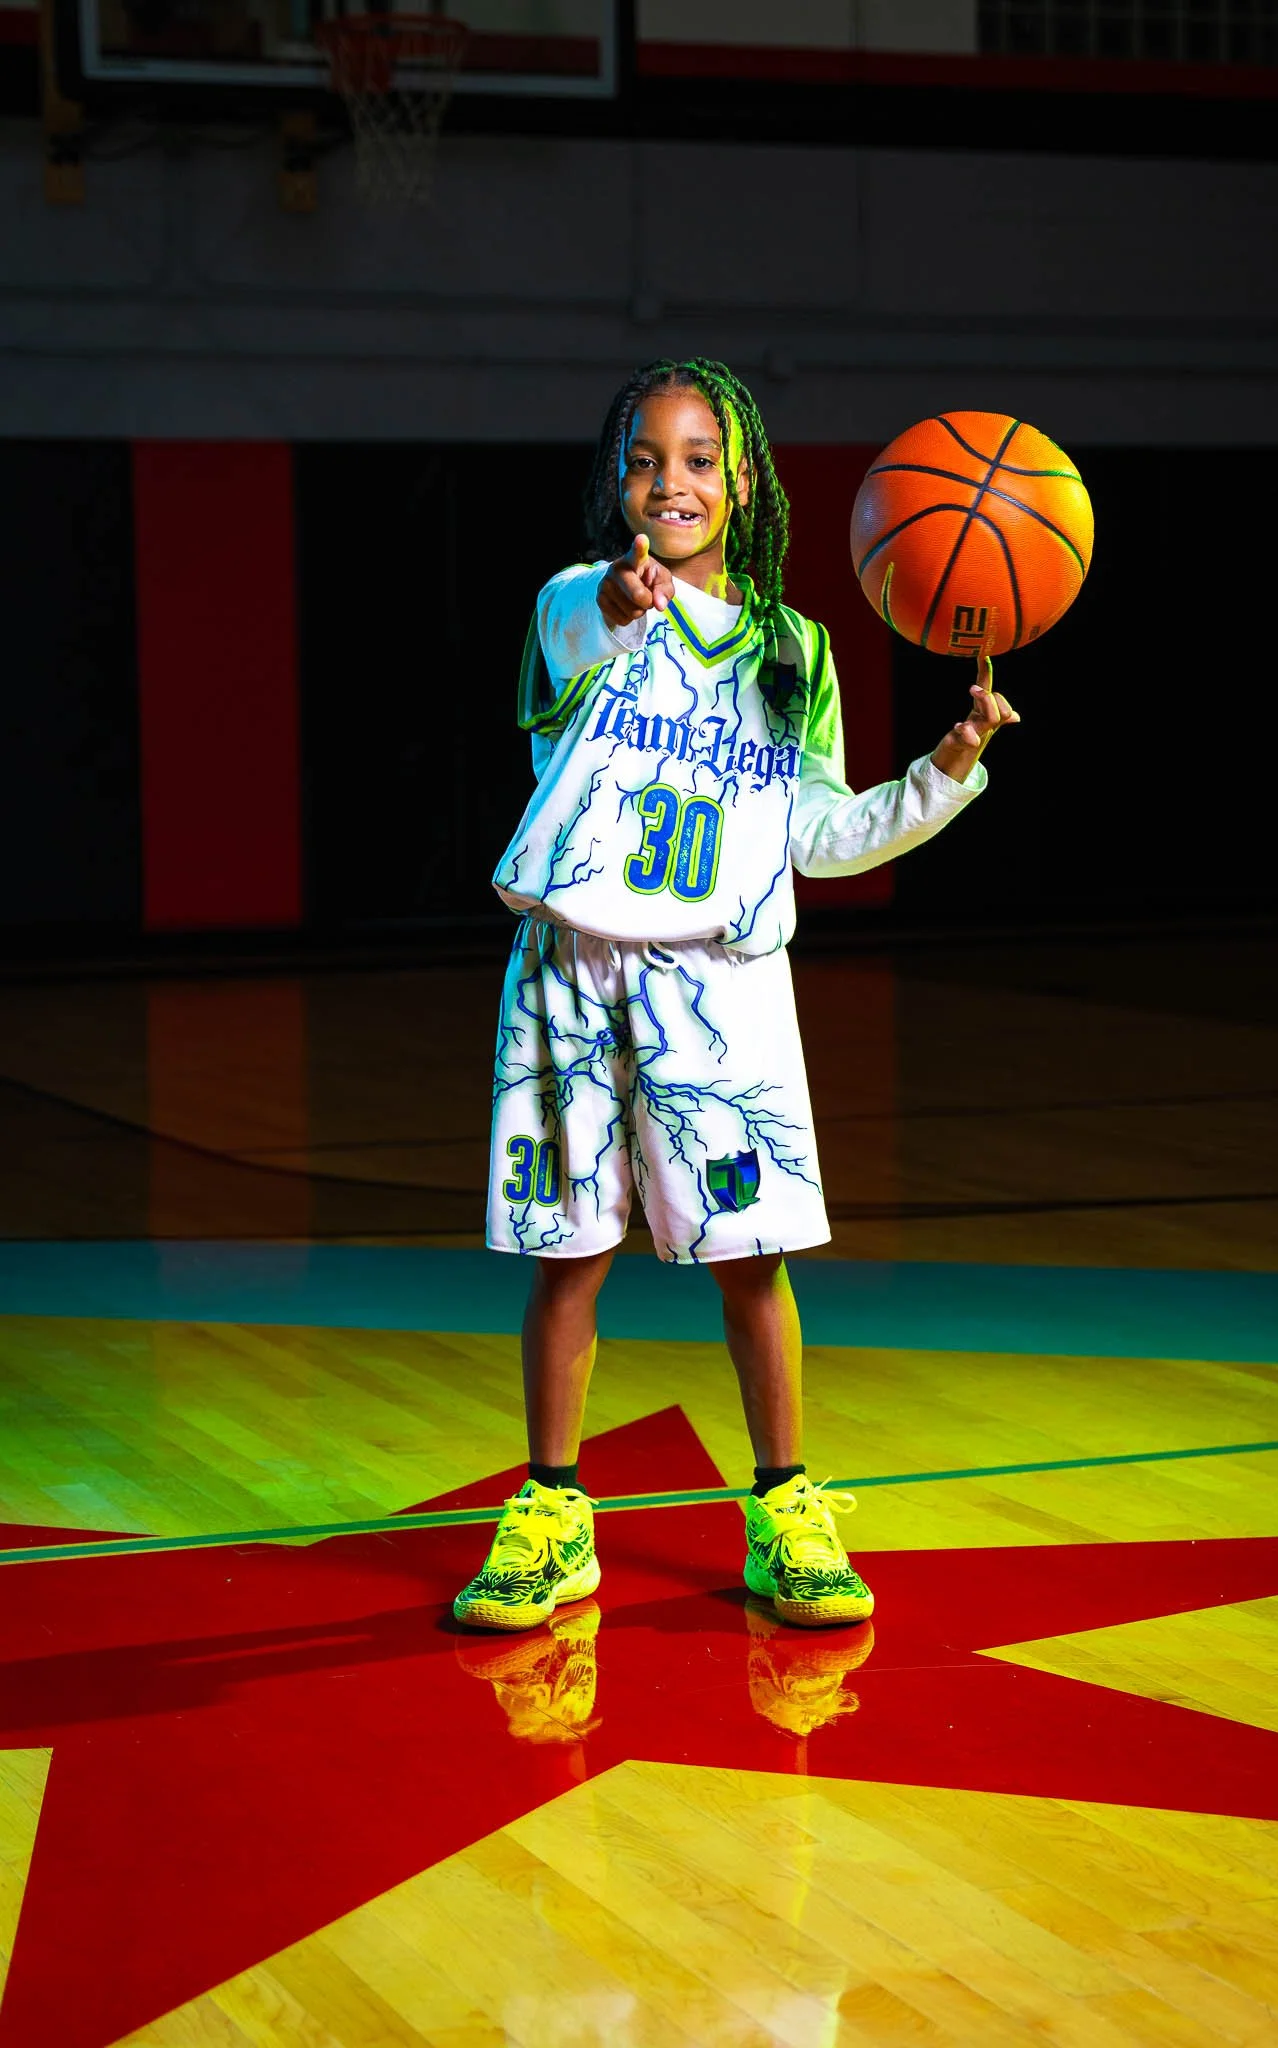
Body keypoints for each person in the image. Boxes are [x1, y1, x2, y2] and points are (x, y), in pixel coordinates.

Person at [453, 357, 1018, 1635]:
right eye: (646, 461)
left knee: (754, 1262)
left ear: (743, 479)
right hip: (574, 976)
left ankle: (784, 1510)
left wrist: (945, 767)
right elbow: (586, 625)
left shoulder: (794, 647)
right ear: (617, 484)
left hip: (723, 983)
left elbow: (814, 833)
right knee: (568, 1256)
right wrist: (619, 597)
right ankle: (551, 1512)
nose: (673, 482)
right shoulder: (571, 603)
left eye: (700, 459)